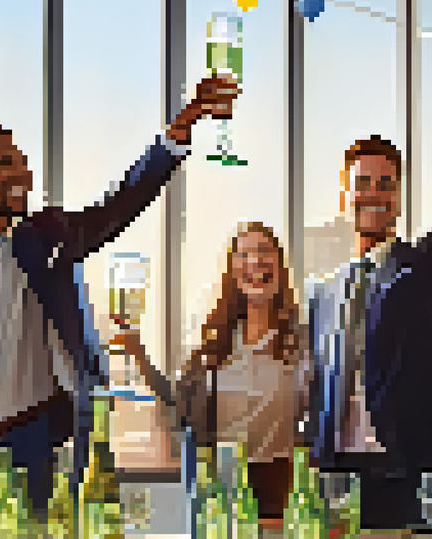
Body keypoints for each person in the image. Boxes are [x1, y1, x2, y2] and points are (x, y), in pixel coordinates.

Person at [0, 75, 238, 539]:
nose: (21, 174)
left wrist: (179, 131)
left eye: (23, 164)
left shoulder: (53, 237)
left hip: (37, 447)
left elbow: (122, 203)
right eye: (5, 164)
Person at [303, 136, 432, 530]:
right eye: (363, 183)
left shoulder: (425, 266)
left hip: (404, 469)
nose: (373, 194)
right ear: (345, 193)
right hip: (338, 472)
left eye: (386, 184)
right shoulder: (323, 292)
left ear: (399, 196)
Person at [111, 222, 308, 519]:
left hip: (278, 482)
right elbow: (179, 404)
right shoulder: (214, 342)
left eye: (264, 251)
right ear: (232, 271)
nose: (254, 261)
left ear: (279, 267)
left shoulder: (302, 340)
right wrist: (139, 354)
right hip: (218, 481)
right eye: (244, 254)